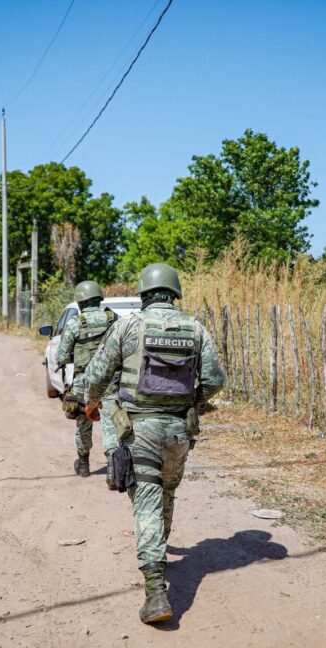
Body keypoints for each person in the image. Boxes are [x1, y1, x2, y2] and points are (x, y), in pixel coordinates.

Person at [82, 263, 225, 624]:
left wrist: (91, 402)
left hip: (140, 429)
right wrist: (193, 402)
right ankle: (158, 556)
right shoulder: (195, 328)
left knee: (145, 498)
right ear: (174, 293)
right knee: (167, 493)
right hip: (178, 430)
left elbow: (97, 375)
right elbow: (214, 380)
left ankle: (156, 590)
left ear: (144, 293)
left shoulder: (127, 325)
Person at [56, 280, 120, 479]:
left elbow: (62, 356)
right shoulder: (113, 319)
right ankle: (112, 468)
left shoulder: (75, 323)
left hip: (83, 383)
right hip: (110, 382)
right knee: (111, 423)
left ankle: (83, 464)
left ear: (81, 302)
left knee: (83, 423)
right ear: (99, 299)